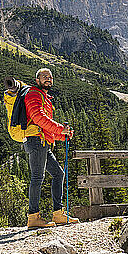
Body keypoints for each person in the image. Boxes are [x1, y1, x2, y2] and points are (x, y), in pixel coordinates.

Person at [23, 67, 80, 228]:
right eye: (44, 77)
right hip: (36, 142)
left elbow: (46, 128)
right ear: (37, 80)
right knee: (37, 177)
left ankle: (58, 213)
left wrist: (63, 135)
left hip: (43, 142)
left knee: (58, 173)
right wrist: (61, 128)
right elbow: (38, 117)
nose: (48, 79)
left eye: (50, 77)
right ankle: (33, 217)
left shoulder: (44, 97)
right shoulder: (33, 94)